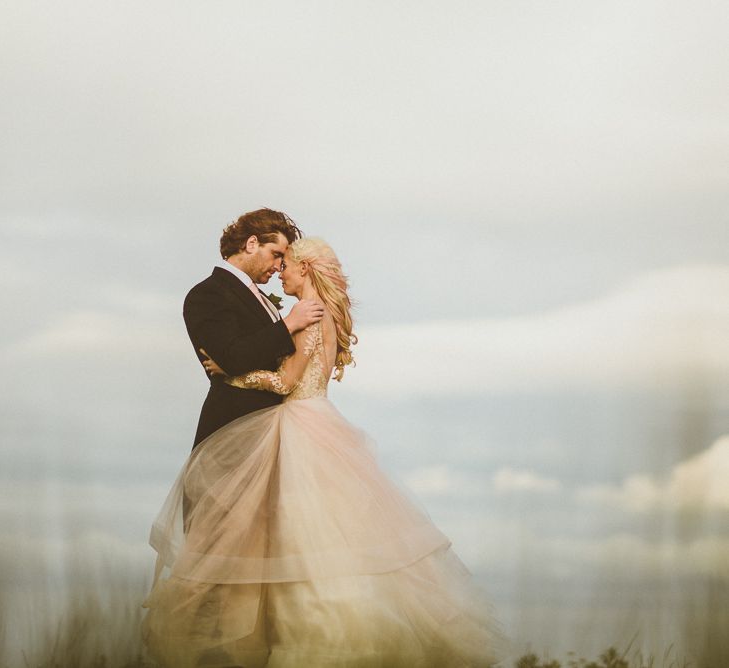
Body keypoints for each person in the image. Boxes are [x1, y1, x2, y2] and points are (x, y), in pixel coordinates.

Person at [142, 238, 503, 667]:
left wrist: (232, 376)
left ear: (307, 269)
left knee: (299, 530)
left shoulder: (309, 317)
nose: (281, 272)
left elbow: (285, 381)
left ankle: (307, 635)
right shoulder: (322, 315)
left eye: (287, 264)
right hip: (320, 421)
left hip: (299, 425)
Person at [183, 208, 324, 448]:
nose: (280, 266)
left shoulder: (262, 298)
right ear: (251, 243)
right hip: (232, 432)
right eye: (276, 254)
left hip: (270, 432)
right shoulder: (208, 294)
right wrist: (289, 324)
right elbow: (233, 357)